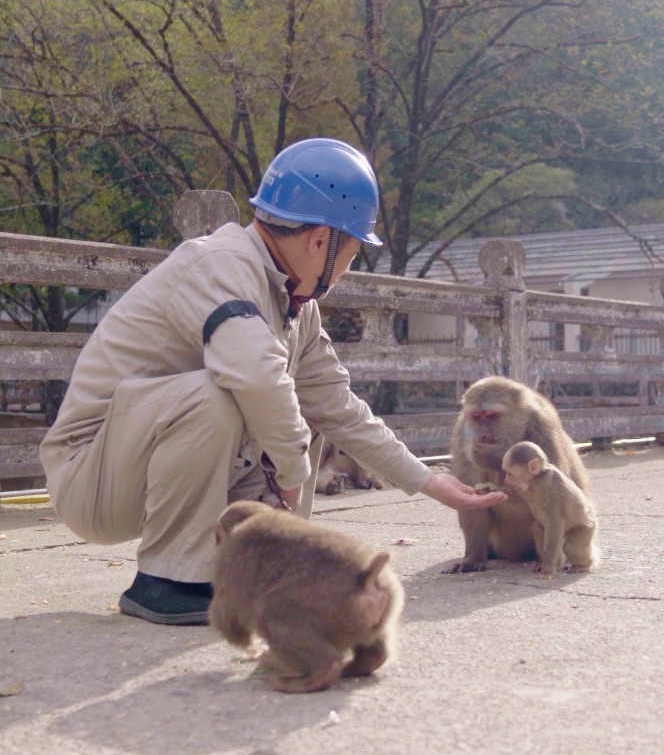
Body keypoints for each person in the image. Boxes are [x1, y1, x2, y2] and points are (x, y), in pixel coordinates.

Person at [39, 138, 507, 626]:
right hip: (92, 477)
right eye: (351, 252)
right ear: (321, 241)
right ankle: (166, 582)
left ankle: (256, 567)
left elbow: (339, 407)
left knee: (306, 411)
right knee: (226, 395)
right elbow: (258, 378)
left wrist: (431, 482)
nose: (348, 269)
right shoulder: (218, 265)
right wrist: (292, 473)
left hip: (150, 468)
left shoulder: (293, 303)